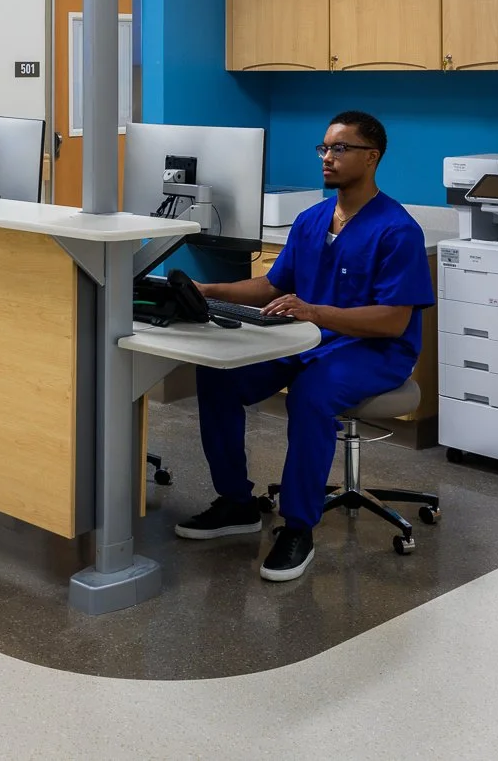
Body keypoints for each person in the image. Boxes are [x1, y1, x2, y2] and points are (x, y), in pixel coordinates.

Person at [174, 110, 434, 582]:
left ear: (372, 157)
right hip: (305, 341)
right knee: (218, 375)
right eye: (325, 148)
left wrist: (315, 312)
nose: (327, 158)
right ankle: (236, 503)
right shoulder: (311, 219)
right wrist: (209, 290)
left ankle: (298, 526)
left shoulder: (397, 230)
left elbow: (394, 322)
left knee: (313, 394)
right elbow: (273, 286)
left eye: (341, 148)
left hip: (372, 351)